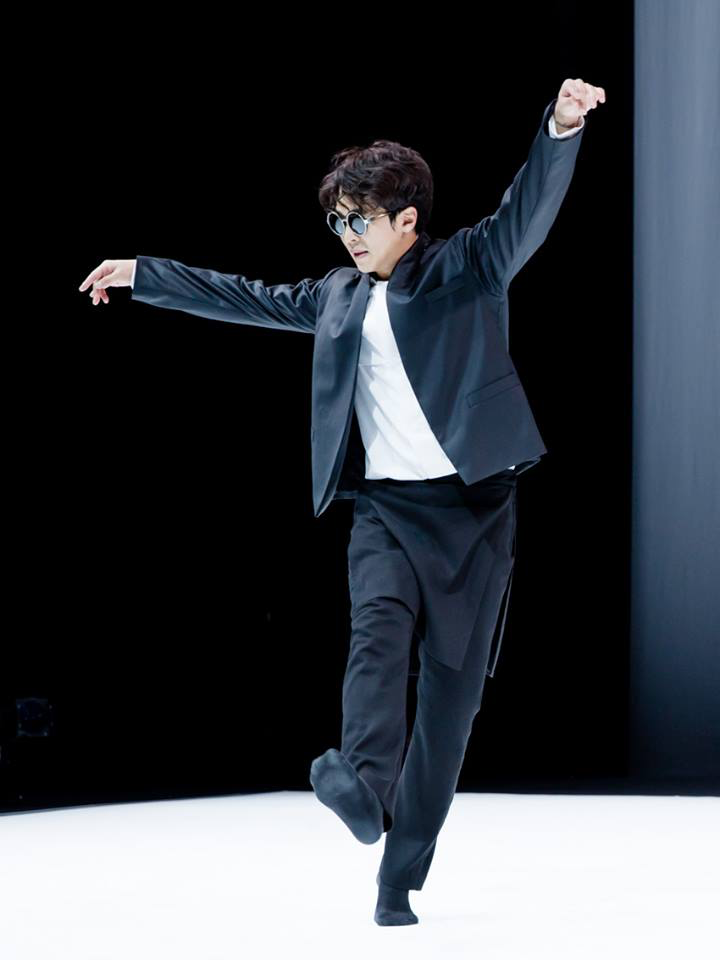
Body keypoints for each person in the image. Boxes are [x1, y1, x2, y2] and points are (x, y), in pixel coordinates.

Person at [79, 77, 606, 926]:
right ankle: (360, 784)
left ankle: (399, 877)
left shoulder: (469, 267)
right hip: (386, 514)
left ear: (408, 220)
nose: (348, 235)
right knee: (375, 640)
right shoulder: (336, 298)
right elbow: (244, 295)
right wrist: (146, 274)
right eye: (338, 222)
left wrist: (560, 127)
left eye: (360, 220)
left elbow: (528, 210)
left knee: (449, 708)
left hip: (476, 516)